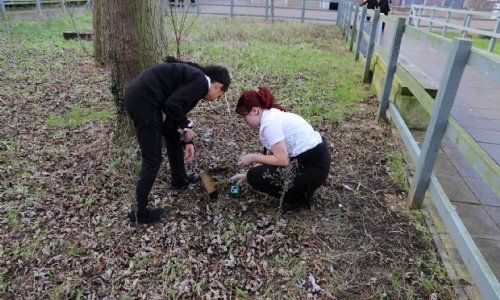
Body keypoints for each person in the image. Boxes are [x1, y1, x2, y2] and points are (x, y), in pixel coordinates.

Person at [124, 57, 231, 225]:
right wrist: (187, 127)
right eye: (219, 96)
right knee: (153, 159)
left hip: (146, 99)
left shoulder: (196, 78)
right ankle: (139, 214)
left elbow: (175, 112)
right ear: (218, 86)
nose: (215, 99)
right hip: (144, 102)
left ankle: (179, 179)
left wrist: (188, 141)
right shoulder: (201, 82)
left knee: (173, 135)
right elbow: (172, 105)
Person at [230, 86, 331, 213]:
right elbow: (272, 155)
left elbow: (282, 161)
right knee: (252, 174)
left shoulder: (270, 123)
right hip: (313, 165)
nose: (245, 121)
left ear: (255, 110)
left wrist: (251, 158)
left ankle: (295, 199)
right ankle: (298, 190)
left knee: (254, 177)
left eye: (244, 117)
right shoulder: (271, 115)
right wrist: (246, 176)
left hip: (311, 170)